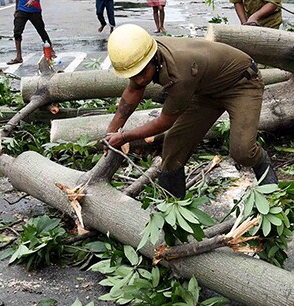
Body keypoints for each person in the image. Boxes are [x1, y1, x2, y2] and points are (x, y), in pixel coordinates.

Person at [104, 24, 277, 197]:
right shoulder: (139, 58)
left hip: (242, 83)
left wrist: (124, 137)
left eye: (141, 73)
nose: (139, 79)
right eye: (133, 76)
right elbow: (133, 91)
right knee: (174, 146)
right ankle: (173, 206)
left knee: (242, 151)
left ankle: (269, 182)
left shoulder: (179, 73)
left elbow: (165, 122)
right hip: (206, 90)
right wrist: (111, 132)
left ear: (153, 58)